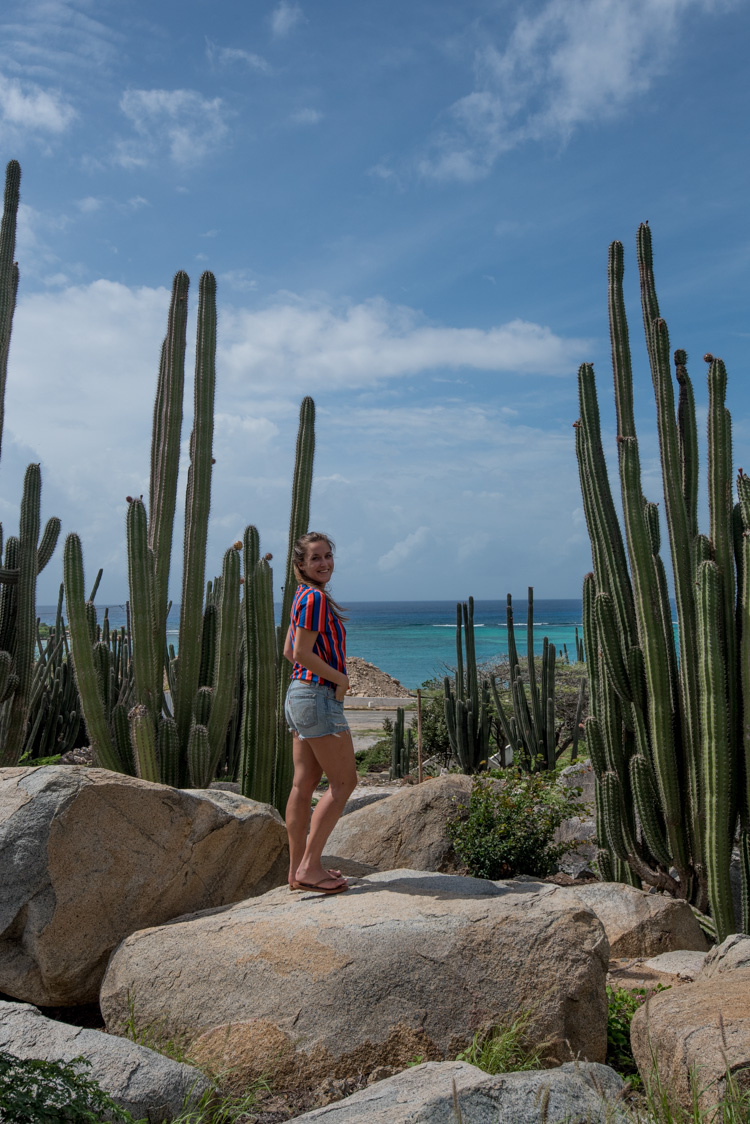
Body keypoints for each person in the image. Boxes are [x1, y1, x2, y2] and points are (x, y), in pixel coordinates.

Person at [283, 532, 357, 894]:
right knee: (344, 783)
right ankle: (311, 867)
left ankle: (296, 870)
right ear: (300, 565)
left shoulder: (302, 596)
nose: (324, 562)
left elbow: (288, 651)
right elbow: (300, 653)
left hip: (299, 694)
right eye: (315, 558)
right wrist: (340, 678)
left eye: (328, 555)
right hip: (316, 695)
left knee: (303, 784)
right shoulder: (313, 597)